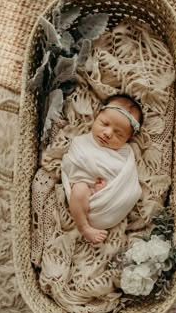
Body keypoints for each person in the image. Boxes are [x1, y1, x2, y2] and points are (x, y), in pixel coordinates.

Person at [61, 94, 144, 244]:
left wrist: (103, 188)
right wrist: (90, 184)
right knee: (79, 189)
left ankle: (93, 200)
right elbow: (71, 165)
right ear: (97, 115)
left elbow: (126, 181)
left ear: (128, 139)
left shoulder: (124, 154)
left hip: (107, 200)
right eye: (105, 123)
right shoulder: (82, 142)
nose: (108, 133)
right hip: (80, 194)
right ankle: (84, 227)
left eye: (119, 134)